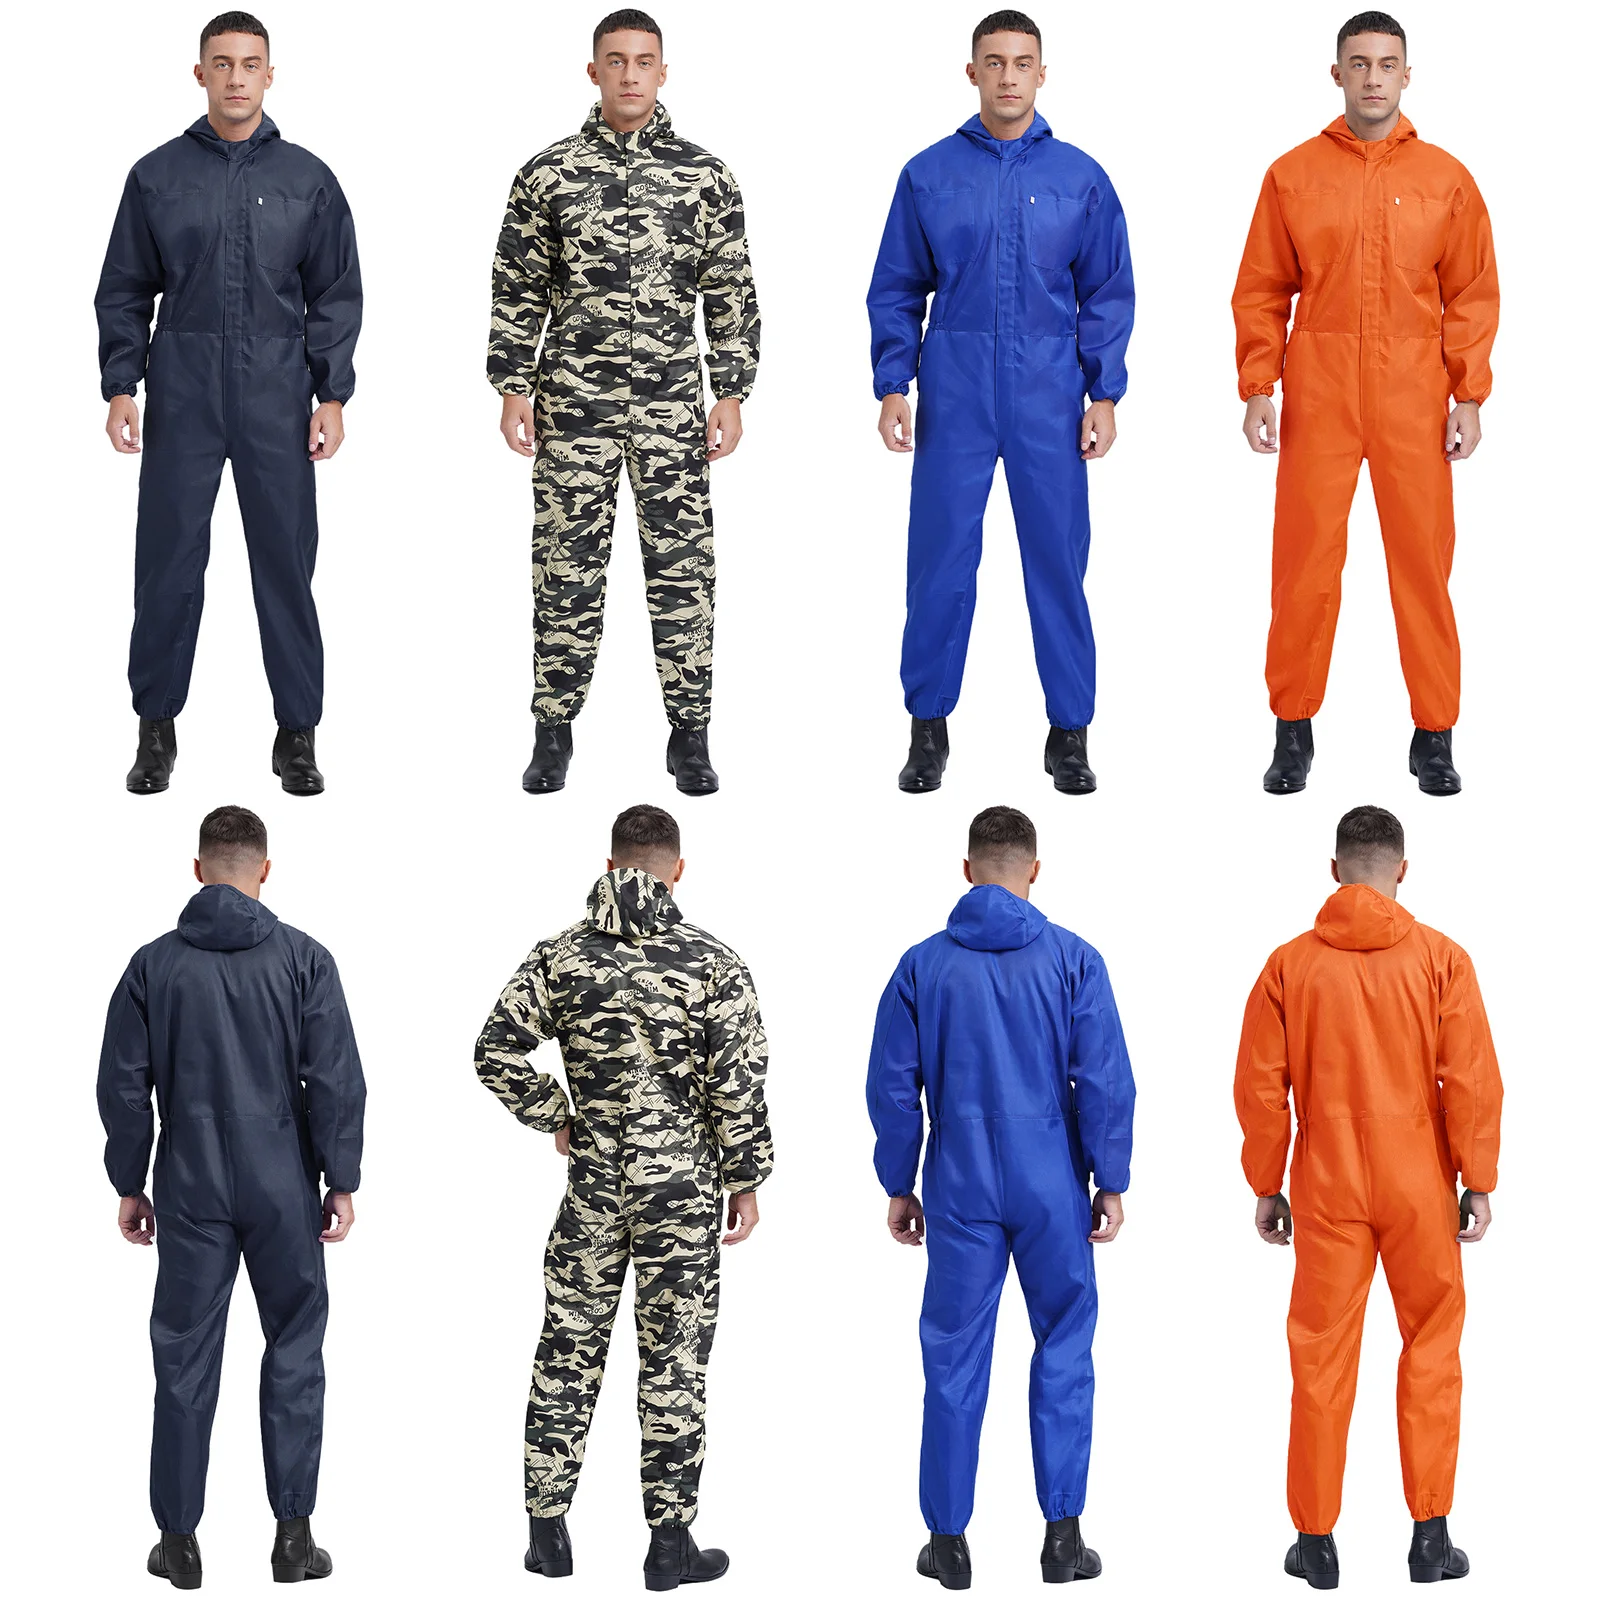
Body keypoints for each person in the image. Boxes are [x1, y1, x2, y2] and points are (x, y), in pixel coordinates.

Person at [474, 803, 772, 1588]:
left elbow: (495, 1049)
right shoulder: (714, 964)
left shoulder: (560, 958)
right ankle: (669, 1549)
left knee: (568, 1349)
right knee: (674, 1359)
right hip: (682, 1191)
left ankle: (547, 1536)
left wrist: (559, 1116)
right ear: (678, 870)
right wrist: (744, 1178)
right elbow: (738, 1086)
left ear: (610, 866)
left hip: (594, 1191)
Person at [490, 10, 759, 798]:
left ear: (663, 73)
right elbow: (517, 286)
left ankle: (690, 735)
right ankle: (552, 731)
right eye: (616, 60)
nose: (631, 74)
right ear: (594, 71)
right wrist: (512, 385)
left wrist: (731, 390)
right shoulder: (548, 174)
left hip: (673, 406)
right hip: (572, 405)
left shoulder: (706, 176)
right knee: (564, 568)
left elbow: (730, 289)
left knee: (684, 571)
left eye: (644, 61)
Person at [98, 805, 366, 1589]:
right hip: (284, 1180)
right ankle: (294, 1540)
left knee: (183, 1356)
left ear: (198, 869)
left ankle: (178, 1544)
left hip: (189, 1183)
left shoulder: (153, 966)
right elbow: (336, 1080)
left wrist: (129, 1180)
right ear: (264, 871)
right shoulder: (305, 959)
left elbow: (123, 1087)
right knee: (295, 1348)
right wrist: (342, 1177)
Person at [866, 805, 1134, 1588]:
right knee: (1065, 1345)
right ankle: (1063, 1538)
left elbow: (893, 1087)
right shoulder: (1074, 959)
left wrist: (898, 1181)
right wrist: (1111, 1177)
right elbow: (1106, 1081)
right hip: (1052, 1177)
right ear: (1034, 871)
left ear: (967, 870)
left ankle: (948, 1544)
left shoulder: (922, 965)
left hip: (959, 1180)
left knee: (953, 1354)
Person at [1234, 805, 1501, 1589]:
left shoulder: (1289, 965)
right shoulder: (1443, 959)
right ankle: (1430, 1538)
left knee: (1321, 1356)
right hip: (1420, 1179)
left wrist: (1267, 1183)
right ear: (1402, 871)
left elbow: (1261, 1088)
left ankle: (1315, 1543)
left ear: (1334, 870)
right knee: (1432, 1348)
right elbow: (1471, 1080)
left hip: (1328, 1182)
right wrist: (1478, 1178)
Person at [868, 11, 1134, 798]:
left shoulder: (1081, 177)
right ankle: (928, 728)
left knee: (1058, 561)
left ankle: (1070, 733)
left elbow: (1107, 292)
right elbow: (896, 286)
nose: (1009, 76)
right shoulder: (928, 173)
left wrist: (1105, 392)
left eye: (1023, 62)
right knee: (939, 561)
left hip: (1049, 390)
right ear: (972, 72)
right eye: (995, 62)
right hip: (954, 387)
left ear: (1042, 74)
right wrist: (893, 383)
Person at [98, 12, 361, 800]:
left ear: (270, 75)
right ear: (200, 74)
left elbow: (334, 293)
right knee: (168, 561)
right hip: (182, 390)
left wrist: (332, 393)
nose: (237, 78)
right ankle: (155, 729)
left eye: (250, 64)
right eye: (223, 63)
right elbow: (123, 287)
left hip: (277, 393)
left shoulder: (308, 179)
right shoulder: (156, 175)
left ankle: (297, 734)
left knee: (286, 563)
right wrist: (121, 384)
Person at [1233, 13, 1497, 799]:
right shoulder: (1292, 174)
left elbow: (1471, 292)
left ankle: (1434, 735)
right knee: (1304, 563)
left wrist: (1469, 394)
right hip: (1319, 389)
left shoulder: (1447, 179)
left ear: (1407, 75)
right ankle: (1292, 730)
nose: (1373, 77)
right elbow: (1262, 287)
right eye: (1359, 63)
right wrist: (1258, 385)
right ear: (1337, 73)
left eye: (1387, 64)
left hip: (1414, 392)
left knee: (1423, 565)